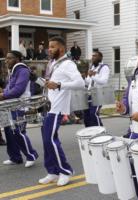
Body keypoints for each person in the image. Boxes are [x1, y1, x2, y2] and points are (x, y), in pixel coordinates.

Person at [38, 36, 85, 186]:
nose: (49, 49)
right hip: (49, 106)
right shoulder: (53, 63)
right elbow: (50, 83)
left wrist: (58, 85)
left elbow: (80, 83)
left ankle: (65, 171)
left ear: (61, 49)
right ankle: (52, 171)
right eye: (49, 47)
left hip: (57, 108)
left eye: (52, 47)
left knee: (50, 140)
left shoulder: (67, 64)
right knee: (47, 141)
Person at [0, 50, 38, 167]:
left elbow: (18, 90)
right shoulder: (13, 71)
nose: (6, 61)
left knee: (18, 131)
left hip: (21, 106)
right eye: (6, 58)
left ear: (18, 59)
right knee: (8, 130)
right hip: (10, 105)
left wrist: (2, 95)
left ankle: (31, 155)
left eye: (9, 58)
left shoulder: (23, 70)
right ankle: (15, 157)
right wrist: (4, 93)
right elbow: (9, 88)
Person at [83, 50, 110, 127]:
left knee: (93, 114)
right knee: (86, 115)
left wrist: (92, 76)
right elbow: (89, 82)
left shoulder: (104, 67)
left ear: (100, 58)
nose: (93, 57)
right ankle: (89, 132)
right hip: (89, 93)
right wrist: (84, 78)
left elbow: (103, 81)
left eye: (95, 56)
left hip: (98, 94)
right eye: (92, 56)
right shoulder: (92, 67)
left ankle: (100, 133)